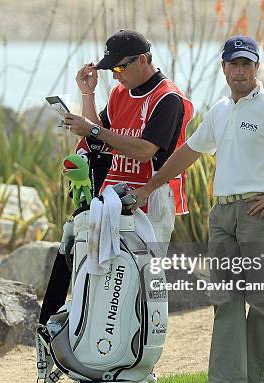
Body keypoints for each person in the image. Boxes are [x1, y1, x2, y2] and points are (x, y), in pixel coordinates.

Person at [131, 36, 264, 383]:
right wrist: (151, 186)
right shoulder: (220, 110)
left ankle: (254, 382)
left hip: (259, 214)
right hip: (223, 215)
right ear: (223, 68)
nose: (240, 71)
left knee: (262, 301)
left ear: (257, 68)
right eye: (234, 64)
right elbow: (188, 152)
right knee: (226, 298)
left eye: (246, 65)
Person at [63, 29, 194, 252]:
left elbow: (145, 151)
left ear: (142, 60)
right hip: (113, 195)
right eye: (111, 69)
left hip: (151, 196)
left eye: (119, 67)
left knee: (143, 275)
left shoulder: (168, 98)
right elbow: (99, 137)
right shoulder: (120, 93)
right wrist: (88, 95)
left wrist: (94, 130)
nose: (115, 75)